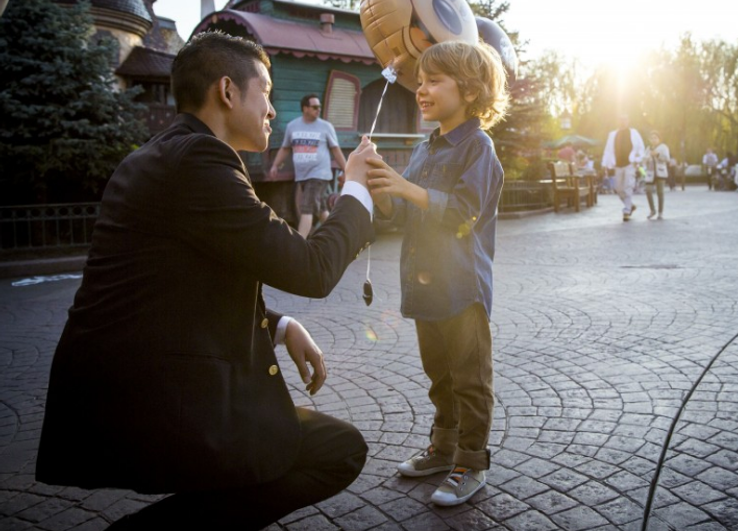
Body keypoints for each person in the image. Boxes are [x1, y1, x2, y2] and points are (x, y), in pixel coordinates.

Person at [36, 32, 381, 530]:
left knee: (276, 457)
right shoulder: (199, 161)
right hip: (157, 396)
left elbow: (180, 284)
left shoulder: (166, 154)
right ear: (227, 90)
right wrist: (356, 188)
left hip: (133, 381)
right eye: (266, 91)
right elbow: (312, 268)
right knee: (338, 451)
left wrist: (280, 326)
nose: (272, 109)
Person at [366, 40, 509, 507]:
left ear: (468, 90)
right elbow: (403, 213)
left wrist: (406, 188)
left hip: (462, 287)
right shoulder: (424, 148)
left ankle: (471, 462)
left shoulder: (478, 148)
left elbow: (464, 214)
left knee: (470, 380)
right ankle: (443, 449)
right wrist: (380, 183)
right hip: (423, 283)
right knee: (439, 376)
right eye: (420, 82)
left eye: (434, 81)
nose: (421, 90)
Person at [269, 94, 347, 237]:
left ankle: (300, 242)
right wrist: (275, 165)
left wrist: (346, 169)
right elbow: (285, 148)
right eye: (315, 107)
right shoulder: (292, 126)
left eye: (319, 107)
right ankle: (338, 235)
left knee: (307, 209)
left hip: (318, 174)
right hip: (302, 175)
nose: (319, 110)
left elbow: (335, 150)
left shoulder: (325, 126)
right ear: (305, 108)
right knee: (321, 209)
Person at [602, 114, 645, 221]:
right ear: (618, 121)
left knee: (628, 186)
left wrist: (637, 160)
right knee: (618, 188)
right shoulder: (612, 134)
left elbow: (641, 147)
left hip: (630, 164)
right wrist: (604, 164)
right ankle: (629, 205)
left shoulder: (634, 133)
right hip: (617, 165)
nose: (623, 121)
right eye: (621, 120)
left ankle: (626, 210)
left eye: (625, 119)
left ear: (628, 121)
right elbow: (607, 150)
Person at [643, 130, 670, 220]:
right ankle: (652, 210)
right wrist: (647, 158)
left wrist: (657, 155)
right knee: (648, 190)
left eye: (655, 138)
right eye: (652, 138)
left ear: (659, 139)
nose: (653, 140)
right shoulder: (648, 148)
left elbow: (667, 159)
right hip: (650, 173)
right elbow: (644, 160)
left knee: (660, 192)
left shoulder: (663, 147)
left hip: (660, 172)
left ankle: (660, 212)